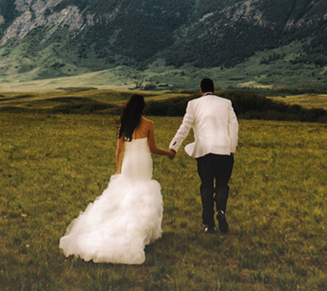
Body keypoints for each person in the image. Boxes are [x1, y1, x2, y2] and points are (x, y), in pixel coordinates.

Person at [58, 93, 176, 265]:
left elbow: (119, 151)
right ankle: (139, 230)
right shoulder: (149, 124)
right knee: (142, 192)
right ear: (142, 108)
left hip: (129, 163)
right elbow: (152, 148)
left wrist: (118, 170)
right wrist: (168, 153)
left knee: (126, 191)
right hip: (143, 162)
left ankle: (117, 225)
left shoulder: (125, 124)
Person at [168, 77, 239, 234]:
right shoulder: (226, 103)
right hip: (224, 151)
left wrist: (174, 147)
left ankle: (210, 225)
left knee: (206, 185)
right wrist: (232, 147)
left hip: (204, 152)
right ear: (214, 89)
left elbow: (184, 127)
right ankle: (221, 211)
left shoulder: (193, 105)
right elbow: (234, 125)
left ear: (201, 90)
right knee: (222, 185)